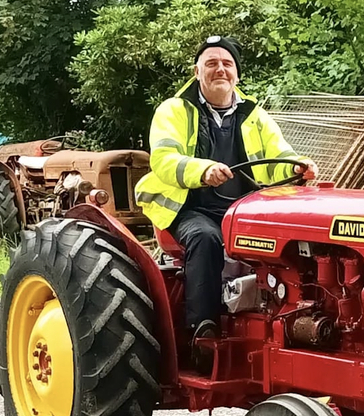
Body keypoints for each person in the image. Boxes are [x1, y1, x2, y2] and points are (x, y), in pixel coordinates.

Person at [135, 35, 318, 354]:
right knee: (206, 238)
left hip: (242, 209)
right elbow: (163, 161)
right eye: (211, 63)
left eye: (226, 63)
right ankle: (202, 331)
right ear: (197, 72)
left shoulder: (255, 116)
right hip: (189, 208)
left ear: (236, 73)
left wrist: (297, 168)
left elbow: (279, 157)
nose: (220, 69)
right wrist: (201, 171)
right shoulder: (174, 110)